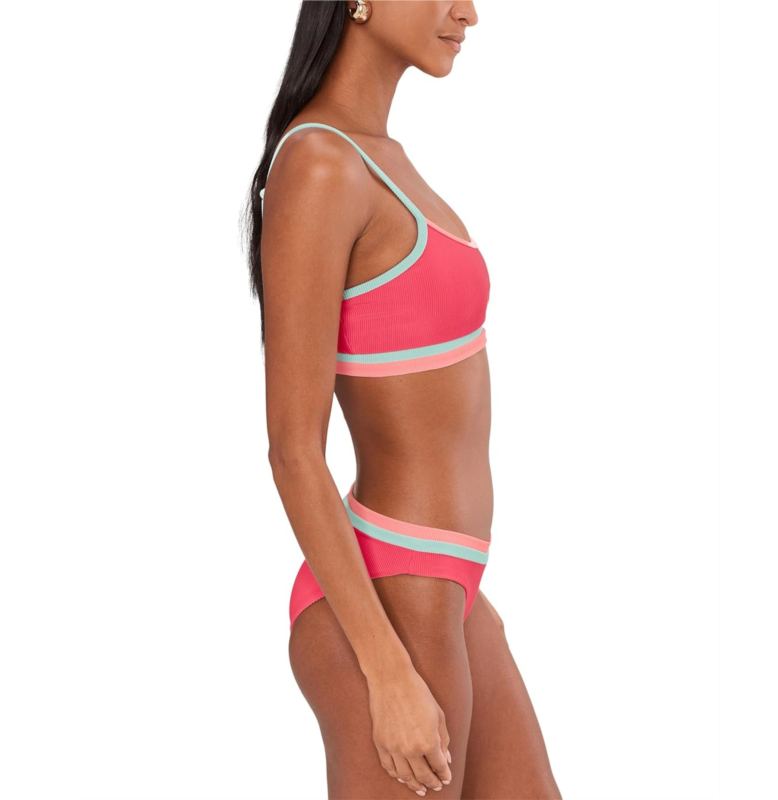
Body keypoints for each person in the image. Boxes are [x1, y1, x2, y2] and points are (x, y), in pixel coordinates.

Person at [245, 2, 562, 798]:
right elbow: (293, 450)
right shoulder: (320, 165)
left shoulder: (382, 158)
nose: (469, 12)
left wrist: (464, 600)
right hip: (391, 592)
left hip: (447, 590)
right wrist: (386, 671)